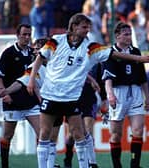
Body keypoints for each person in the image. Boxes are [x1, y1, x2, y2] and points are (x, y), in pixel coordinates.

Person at [27, 13, 149, 168]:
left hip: (71, 98)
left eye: (89, 27)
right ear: (74, 26)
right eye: (84, 27)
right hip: (51, 95)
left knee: (79, 134)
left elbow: (114, 54)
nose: (87, 30)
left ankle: (86, 165)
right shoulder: (56, 40)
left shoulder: (91, 46)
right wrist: (31, 79)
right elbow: (40, 57)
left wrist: (140, 59)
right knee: (45, 134)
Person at [102, 21, 149, 168]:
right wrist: (110, 95)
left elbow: (142, 78)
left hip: (135, 92)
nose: (129, 37)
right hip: (118, 93)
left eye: (130, 34)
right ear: (117, 36)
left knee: (138, 130)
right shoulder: (110, 53)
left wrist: (147, 96)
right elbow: (107, 78)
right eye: (125, 34)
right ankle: (117, 165)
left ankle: (135, 164)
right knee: (116, 134)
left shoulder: (135, 51)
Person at [0, 23, 38, 168]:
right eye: (24, 34)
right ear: (17, 35)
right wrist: (2, 92)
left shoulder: (33, 53)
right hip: (12, 100)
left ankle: (47, 164)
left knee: (43, 133)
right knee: (8, 136)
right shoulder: (9, 53)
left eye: (29, 34)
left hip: (31, 100)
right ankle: (4, 165)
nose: (27, 37)